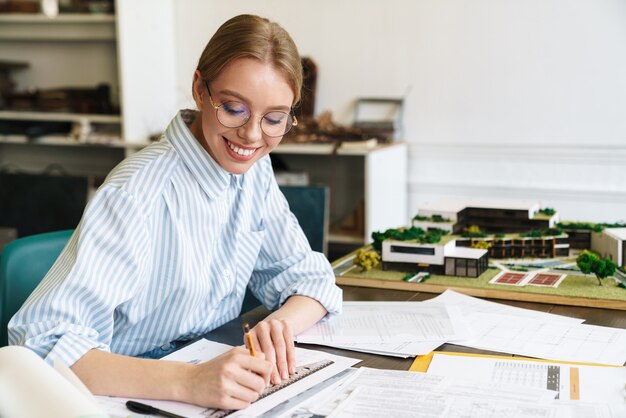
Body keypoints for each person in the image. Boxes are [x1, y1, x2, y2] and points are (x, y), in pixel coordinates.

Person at [8, 14, 342, 410]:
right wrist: (188, 381)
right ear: (200, 89)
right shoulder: (136, 191)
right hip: (128, 394)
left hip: (206, 372)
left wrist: (278, 327)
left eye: (273, 119)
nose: (252, 135)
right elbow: (43, 346)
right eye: (234, 108)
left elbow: (311, 278)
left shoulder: (252, 171)